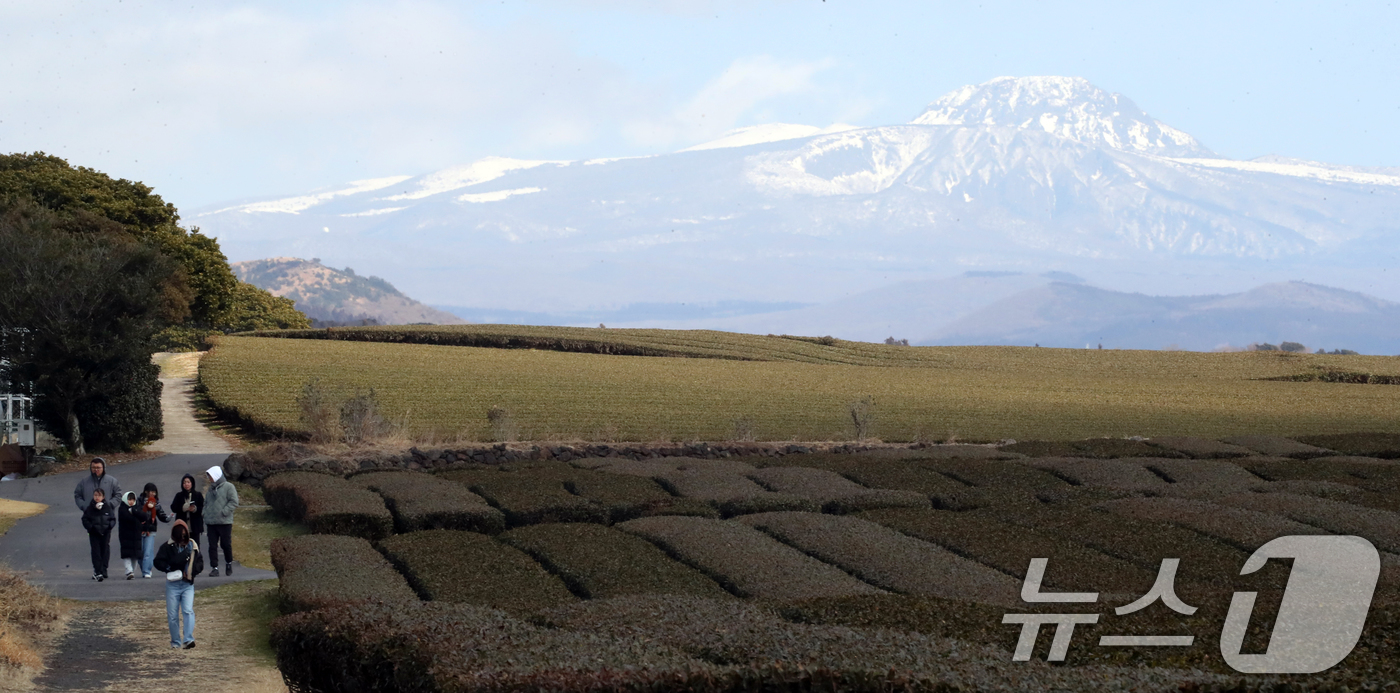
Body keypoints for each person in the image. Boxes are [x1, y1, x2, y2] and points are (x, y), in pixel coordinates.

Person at [153, 520, 203, 649]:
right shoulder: (167, 547)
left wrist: (192, 572)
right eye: (179, 535)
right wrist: (169, 568)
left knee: (188, 611)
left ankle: (188, 639)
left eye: (184, 534)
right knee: (173, 615)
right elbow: (158, 562)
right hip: (173, 584)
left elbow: (200, 563)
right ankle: (175, 642)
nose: (182, 537)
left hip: (187, 584)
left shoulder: (192, 546)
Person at [203, 466, 239, 577]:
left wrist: (224, 512)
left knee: (225, 544)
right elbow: (206, 503)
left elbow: (234, 501)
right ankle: (215, 567)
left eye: (211, 476)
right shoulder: (210, 489)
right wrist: (204, 513)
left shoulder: (229, 487)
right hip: (211, 522)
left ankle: (228, 563)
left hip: (224, 522)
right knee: (212, 546)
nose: (209, 478)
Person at [80, 487, 116, 581]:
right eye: (95, 495)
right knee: (96, 552)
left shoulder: (107, 507)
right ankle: (97, 571)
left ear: (103, 497)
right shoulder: (90, 508)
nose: (97, 497)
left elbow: (113, 519)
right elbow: (85, 519)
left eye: (99, 495)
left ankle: (104, 569)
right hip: (94, 533)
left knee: (105, 550)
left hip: (105, 533)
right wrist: (91, 528)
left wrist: (109, 527)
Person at [138, 483, 172, 578]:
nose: (153, 494)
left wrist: (168, 518)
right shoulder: (139, 501)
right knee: (140, 552)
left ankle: (147, 571)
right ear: (146, 491)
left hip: (151, 529)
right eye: (151, 491)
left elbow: (161, 515)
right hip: (140, 530)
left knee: (148, 552)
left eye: (154, 492)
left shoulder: (156, 503)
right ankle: (143, 568)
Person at [170, 474, 205, 552]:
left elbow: (203, 508)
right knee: (182, 547)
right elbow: (173, 507)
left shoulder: (198, 495)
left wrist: (194, 509)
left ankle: (195, 562)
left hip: (195, 526)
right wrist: (183, 508)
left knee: (195, 547)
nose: (186, 484)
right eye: (184, 482)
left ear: (192, 483)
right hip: (182, 527)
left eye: (188, 482)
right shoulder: (179, 496)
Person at [116, 491, 144, 580]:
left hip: (136, 535)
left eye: (132, 499)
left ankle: (132, 571)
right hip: (125, 535)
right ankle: (129, 570)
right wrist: (136, 515)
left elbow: (144, 516)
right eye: (129, 499)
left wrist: (135, 512)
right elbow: (127, 518)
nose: (131, 501)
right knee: (126, 554)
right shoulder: (122, 508)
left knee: (135, 556)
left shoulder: (138, 507)